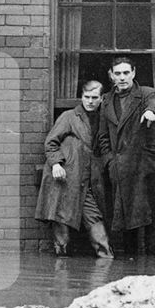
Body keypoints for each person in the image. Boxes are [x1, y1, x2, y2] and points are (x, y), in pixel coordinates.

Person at [97, 56, 155, 256]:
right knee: (126, 218)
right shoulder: (106, 101)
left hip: (144, 167)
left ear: (134, 73)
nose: (122, 78)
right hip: (121, 169)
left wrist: (150, 113)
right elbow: (103, 136)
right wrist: (110, 162)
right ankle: (130, 269)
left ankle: (151, 266)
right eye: (118, 73)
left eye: (126, 73)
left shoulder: (146, 93)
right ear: (111, 76)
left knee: (149, 218)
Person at [34, 80, 113, 258]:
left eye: (94, 98)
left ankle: (107, 260)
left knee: (94, 219)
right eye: (86, 97)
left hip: (88, 181)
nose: (90, 101)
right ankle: (61, 271)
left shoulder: (103, 119)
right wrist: (56, 164)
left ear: (101, 99)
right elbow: (51, 142)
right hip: (66, 179)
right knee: (61, 224)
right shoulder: (69, 116)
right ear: (81, 97)